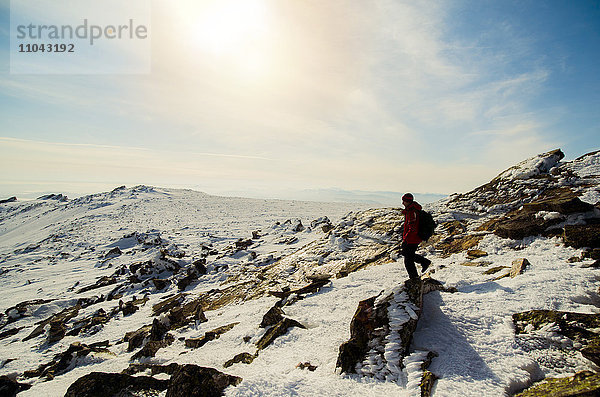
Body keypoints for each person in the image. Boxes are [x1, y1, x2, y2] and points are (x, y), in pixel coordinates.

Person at [401, 193, 431, 279]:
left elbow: (412, 228)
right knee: (407, 254)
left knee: (408, 260)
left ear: (408, 201)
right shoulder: (411, 210)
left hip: (412, 239)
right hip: (413, 238)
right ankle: (424, 262)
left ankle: (414, 278)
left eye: (404, 201)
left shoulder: (412, 211)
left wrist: (406, 239)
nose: (403, 203)